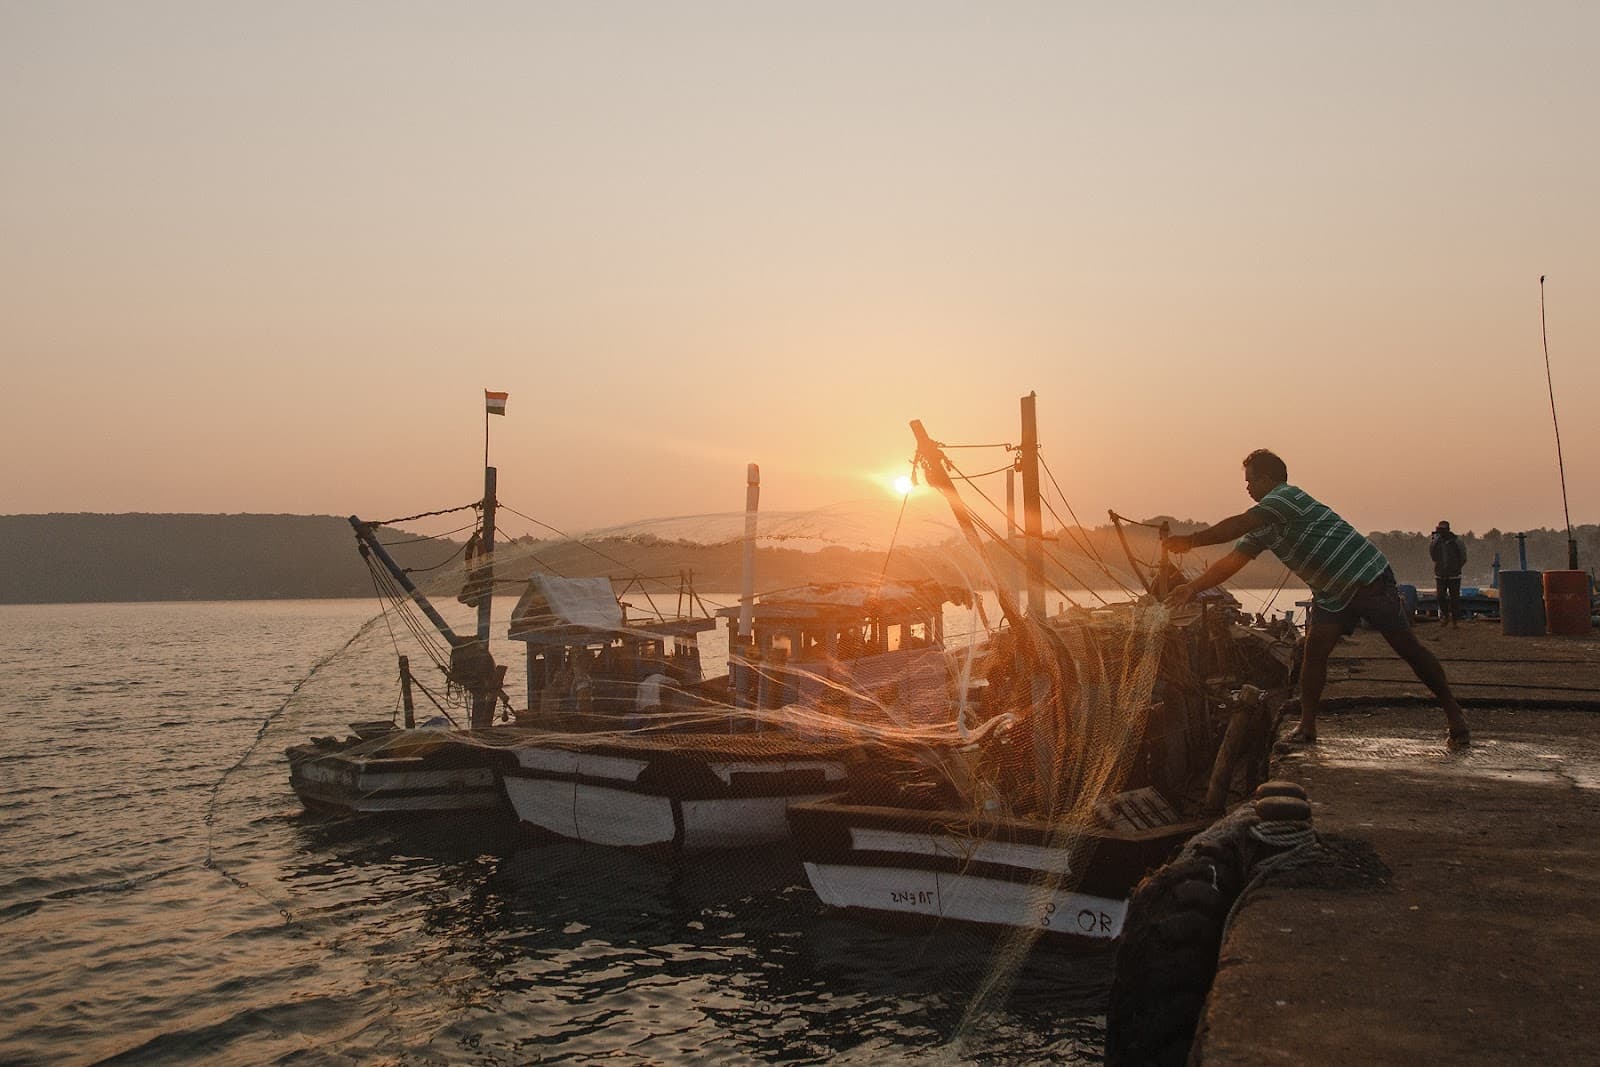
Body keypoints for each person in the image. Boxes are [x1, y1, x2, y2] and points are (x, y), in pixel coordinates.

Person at [1162, 449, 1470, 750]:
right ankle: (1307, 726)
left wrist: (1191, 541)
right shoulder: (1264, 528)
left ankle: (1454, 714)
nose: (1247, 488)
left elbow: (1238, 524)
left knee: (1408, 649)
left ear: (1269, 479)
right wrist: (1192, 588)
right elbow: (1231, 562)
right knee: (1314, 654)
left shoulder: (1285, 497)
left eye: (1251, 481)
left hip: (1365, 576)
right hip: (1330, 592)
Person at [1429, 521, 1467, 628]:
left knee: (1455, 598)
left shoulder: (1457, 541)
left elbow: (1463, 557)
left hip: (1454, 575)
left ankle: (1455, 620)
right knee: (1440, 596)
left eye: (1442, 529)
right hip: (1440, 574)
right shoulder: (1436, 542)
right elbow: (1433, 555)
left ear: (1448, 530)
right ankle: (1445, 616)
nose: (1440, 532)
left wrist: (1457, 567)